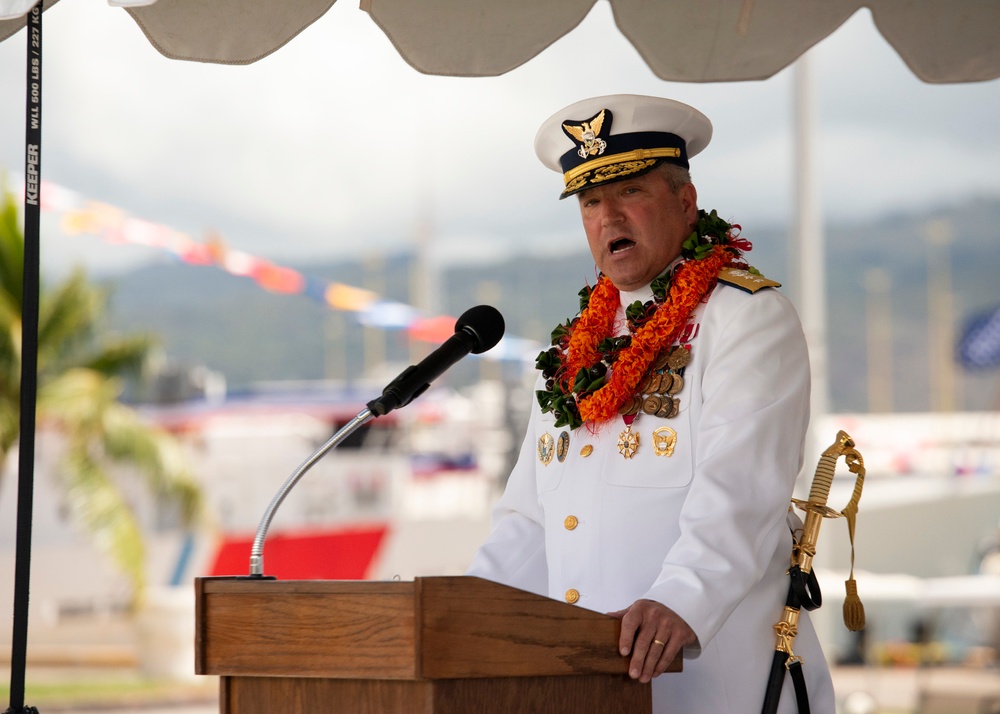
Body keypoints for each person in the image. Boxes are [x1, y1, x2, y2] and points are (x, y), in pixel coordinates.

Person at [466, 94, 835, 713]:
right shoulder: (572, 353)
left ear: (685, 203)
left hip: (715, 688)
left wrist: (681, 600)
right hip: (583, 685)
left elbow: (740, 495)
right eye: (589, 203)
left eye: (629, 193)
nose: (608, 217)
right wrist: (461, 615)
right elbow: (529, 524)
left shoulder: (745, 318)